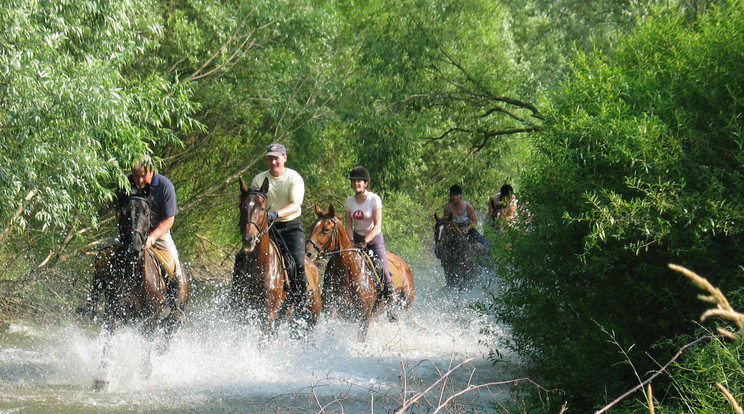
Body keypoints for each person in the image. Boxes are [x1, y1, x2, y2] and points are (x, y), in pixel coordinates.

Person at [81, 155, 184, 317]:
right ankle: (92, 303)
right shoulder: (125, 183)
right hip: (130, 231)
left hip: (158, 232)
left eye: (144, 176)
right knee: (103, 256)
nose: (140, 180)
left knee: (174, 266)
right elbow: (118, 213)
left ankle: (175, 308)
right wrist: (129, 232)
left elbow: (169, 220)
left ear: (152, 172)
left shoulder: (165, 186)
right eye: (137, 175)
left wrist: (151, 237)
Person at [250, 142, 308, 324]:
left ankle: (299, 300)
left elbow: (295, 204)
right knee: (241, 257)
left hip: (290, 227)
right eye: (270, 158)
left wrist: (275, 214)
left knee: (298, 262)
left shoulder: (293, 178)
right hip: (266, 228)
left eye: (276, 158)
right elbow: (252, 204)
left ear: (284, 158)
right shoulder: (259, 179)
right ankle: (236, 296)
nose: (273, 162)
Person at [344, 166, 396, 307]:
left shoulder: (374, 199)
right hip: (356, 238)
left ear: (366, 183)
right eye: (354, 181)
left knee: (384, 271)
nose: (356, 184)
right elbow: (348, 225)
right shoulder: (349, 201)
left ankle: (391, 301)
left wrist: (366, 241)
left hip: (374, 239)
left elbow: (378, 224)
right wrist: (351, 241)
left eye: (359, 181)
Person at [443, 184, 490, 250]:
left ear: (460, 195)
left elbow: (475, 221)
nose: (455, 197)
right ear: (450, 196)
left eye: (457, 195)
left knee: (485, 244)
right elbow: (446, 223)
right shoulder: (447, 208)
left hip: (468, 231)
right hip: (453, 233)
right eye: (453, 195)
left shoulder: (467, 206)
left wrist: (466, 229)